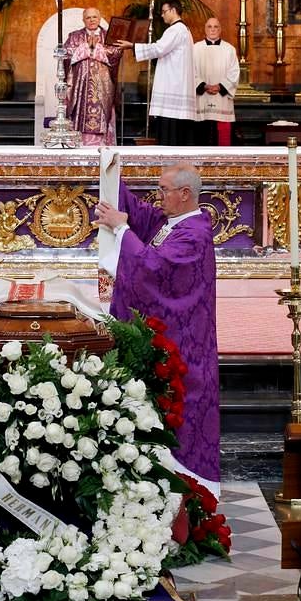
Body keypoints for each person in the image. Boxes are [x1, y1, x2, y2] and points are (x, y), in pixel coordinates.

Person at [95, 163, 220, 495]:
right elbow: (138, 212)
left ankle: (188, 496)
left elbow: (155, 269)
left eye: (164, 190)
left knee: (181, 421)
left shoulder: (195, 234)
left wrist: (121, 231)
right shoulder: (172, 223)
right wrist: (110, 170)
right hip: (173, 341)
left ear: (184, 194)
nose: (158, 196)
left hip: (186, 348)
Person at [116, 0, 197, 145]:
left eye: (165, 11)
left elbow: (159, 48)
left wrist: (132, 46)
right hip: (177, 84)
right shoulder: (184, 30)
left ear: (173, 10)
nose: (162, 15)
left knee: (170, 132)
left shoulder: (176, 30)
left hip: (173, 89)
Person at [64, 7, 131, 146]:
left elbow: (116, 52)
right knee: (80, 114)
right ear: (83, 20)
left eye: (94, 17)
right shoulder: (74, 36)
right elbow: (66, 53)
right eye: (88, 17)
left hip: (104, 86)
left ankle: (103, 148)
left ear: (99, 18)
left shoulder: (110, 35)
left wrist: (96, 48)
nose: (92, 20)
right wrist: (86, 47)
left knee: (102, 113)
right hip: (81, 88)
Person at [194, 17, 240, 146]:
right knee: (202, 134)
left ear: (220, 29)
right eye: (209, 26)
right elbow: (191, 72)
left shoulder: (229, 49)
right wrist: (204, 86)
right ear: (205, 29)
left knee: (222, 134)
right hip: (202, 97)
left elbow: (234, 72)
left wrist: (220, 87)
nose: (212, 30)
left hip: (222, 98)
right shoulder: (195, 48)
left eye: (215, 27)